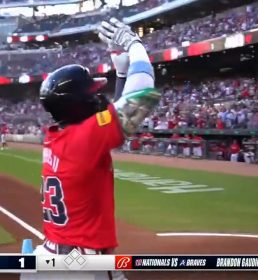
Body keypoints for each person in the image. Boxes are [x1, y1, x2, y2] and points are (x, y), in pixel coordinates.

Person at [28, 18, 160, 280]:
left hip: (48, 259)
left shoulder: (58, 137)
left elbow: (109, 115)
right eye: (92, 92)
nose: (98, 96)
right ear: (78, 103)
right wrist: (134, 45)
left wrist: (121, 75)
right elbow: (143, 91)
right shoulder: (85, 139)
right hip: (83, 266)